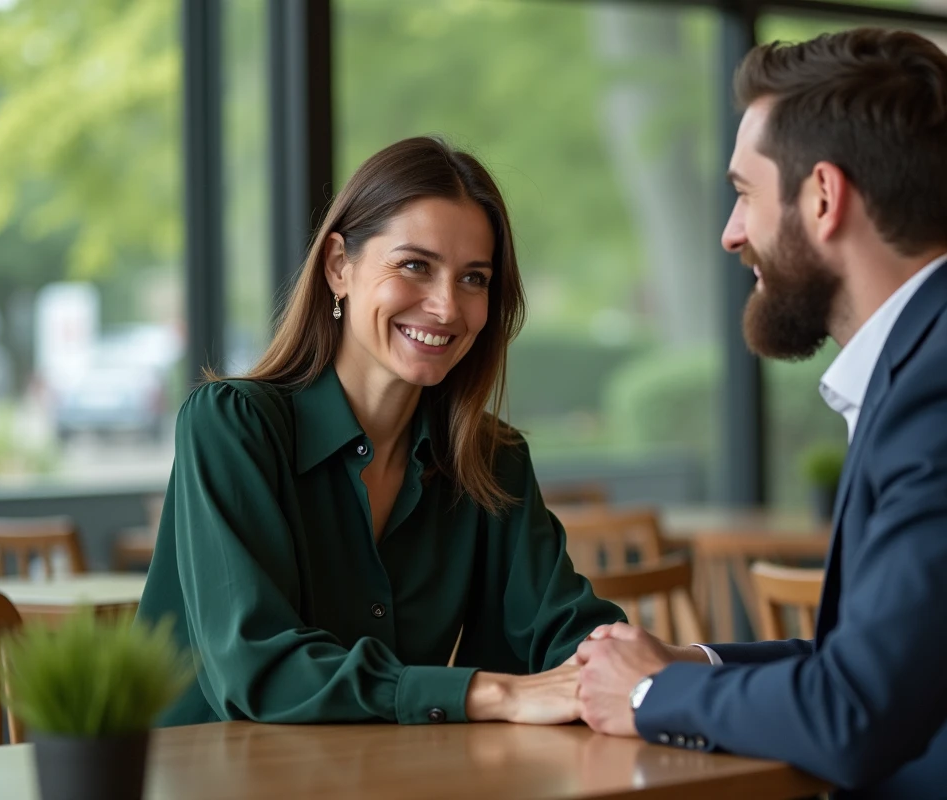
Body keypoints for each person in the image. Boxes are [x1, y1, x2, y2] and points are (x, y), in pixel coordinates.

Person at [575, 28, 947, 799]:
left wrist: (645, 698)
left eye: (743, 194)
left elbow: (854, 714)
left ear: (824, 198)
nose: (731, 234)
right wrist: (681, 668)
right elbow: (873, 667)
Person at [138, 136, 624, 727]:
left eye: (474, 278)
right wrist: (493, 694)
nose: (447, 307)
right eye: (415, 266)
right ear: (339, 266)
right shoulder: (232, 426)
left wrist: (640, 668)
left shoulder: (491, 462)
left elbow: (566, 634)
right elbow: (256, 670)